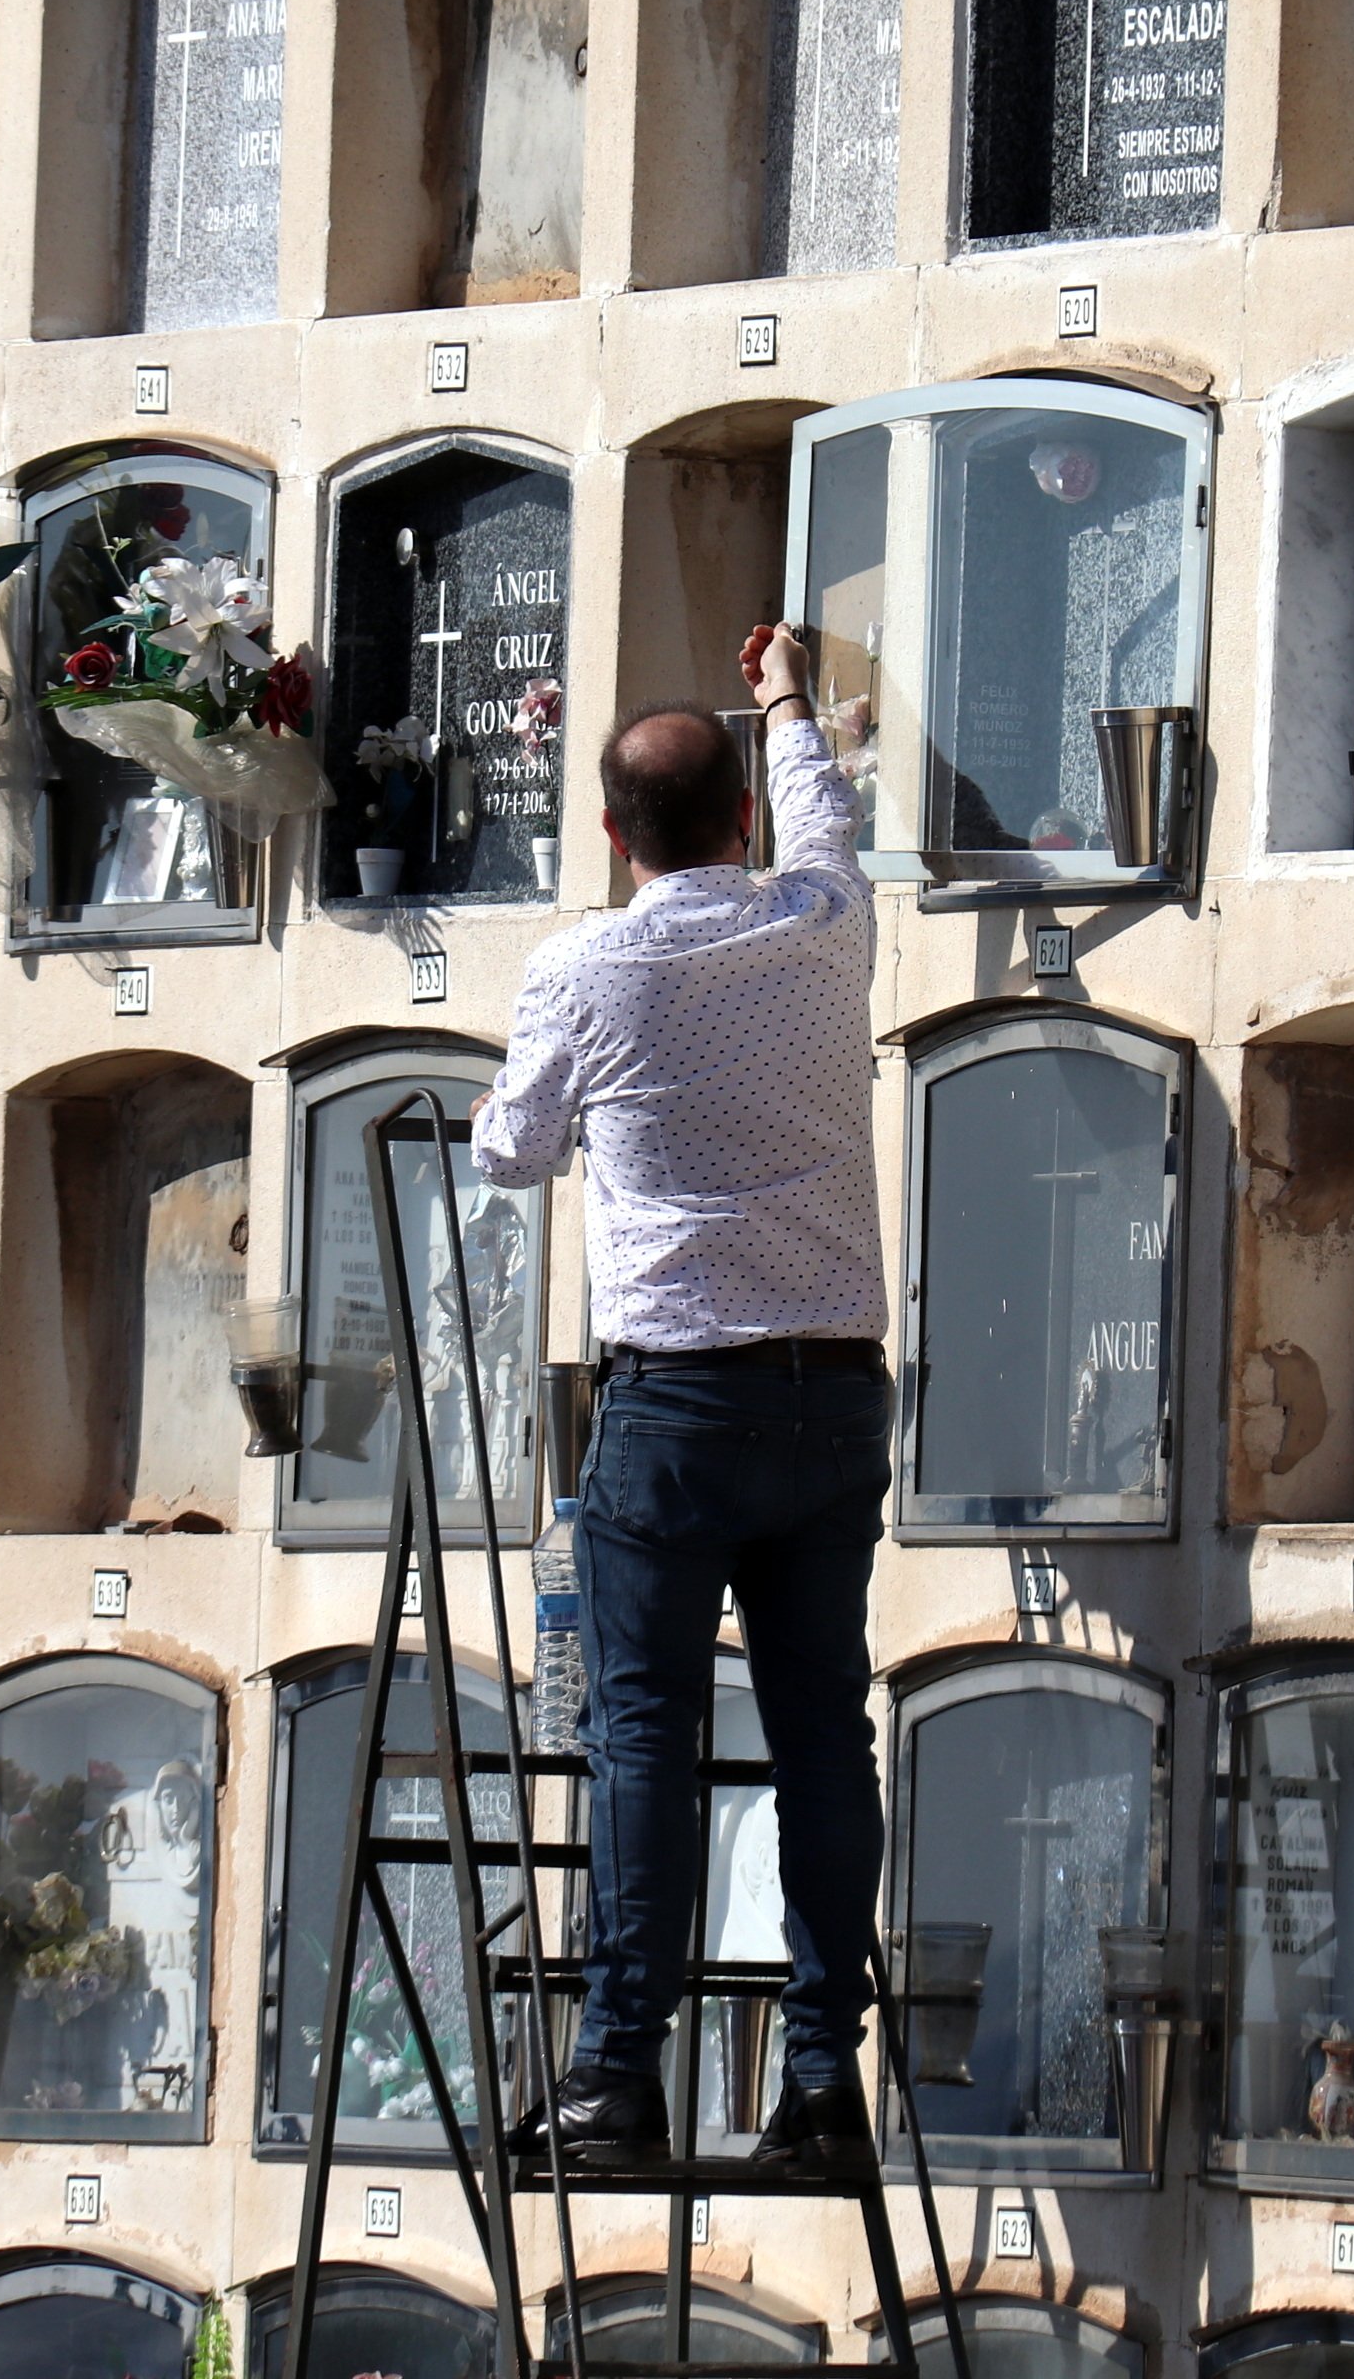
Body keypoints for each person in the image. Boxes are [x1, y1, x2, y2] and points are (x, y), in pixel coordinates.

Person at [470, 625, 886, 2176]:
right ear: (743, 823)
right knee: (820, 1738)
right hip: (833, 1399)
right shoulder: (821, 922)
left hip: (673, 1409)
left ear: (608, 838)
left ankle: (616, 2079)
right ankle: (824, 2079)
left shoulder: (584, 970)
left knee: (644, 1733)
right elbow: (829, 817)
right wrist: (785, 698)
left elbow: (510, 1151)